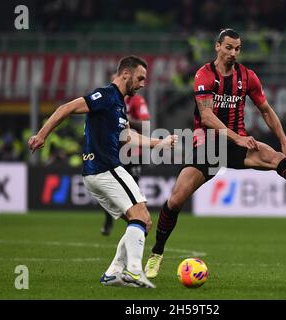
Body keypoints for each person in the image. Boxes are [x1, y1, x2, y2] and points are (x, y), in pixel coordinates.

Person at [144, 29, 286, 279]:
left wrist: (284, 141)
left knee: (274, 157)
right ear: (217, 46)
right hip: (208, 146)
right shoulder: (204, 74)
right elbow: (206, 116)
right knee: (175, 200)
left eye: (237, 48)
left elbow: (266, 110)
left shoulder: (247, 76)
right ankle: (156, 253)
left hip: (237, 144)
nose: (233, 53)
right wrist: (237, 136)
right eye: (228, 47)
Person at [28, 56, 177, 288]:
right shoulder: (105, 96)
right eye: (140, 78)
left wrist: (161, 143)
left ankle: (113, 272)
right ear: (125, 74)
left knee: (141, 223)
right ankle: (135, 271)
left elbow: (128, 136)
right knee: (142, 217)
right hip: (105, 168)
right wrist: (42, 135)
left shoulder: (118, 103)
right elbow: (66, 108)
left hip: (97, 173)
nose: (142, 83)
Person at [101, 93, 151, 236]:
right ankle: (108, 221)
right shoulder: (110, 100)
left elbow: (145, 123)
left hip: (133, 153)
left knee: (133, 189)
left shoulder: (136, 100)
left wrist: (123, 119)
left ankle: (137, 222)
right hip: (114, 152)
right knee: (109, 188)